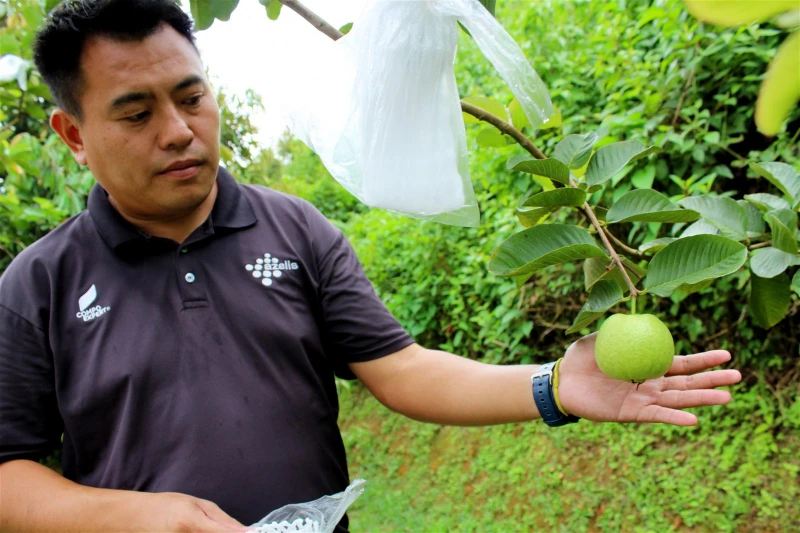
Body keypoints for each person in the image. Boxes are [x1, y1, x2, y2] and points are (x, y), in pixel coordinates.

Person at [0, 0, 742, 532]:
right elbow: (9, 473)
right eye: (136, 113)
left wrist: (552, 385)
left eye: (192, 97)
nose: (178, 131)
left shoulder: (296, 229)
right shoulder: (38, 285)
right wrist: (135, 517)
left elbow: (401, 370)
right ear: (74, 134)